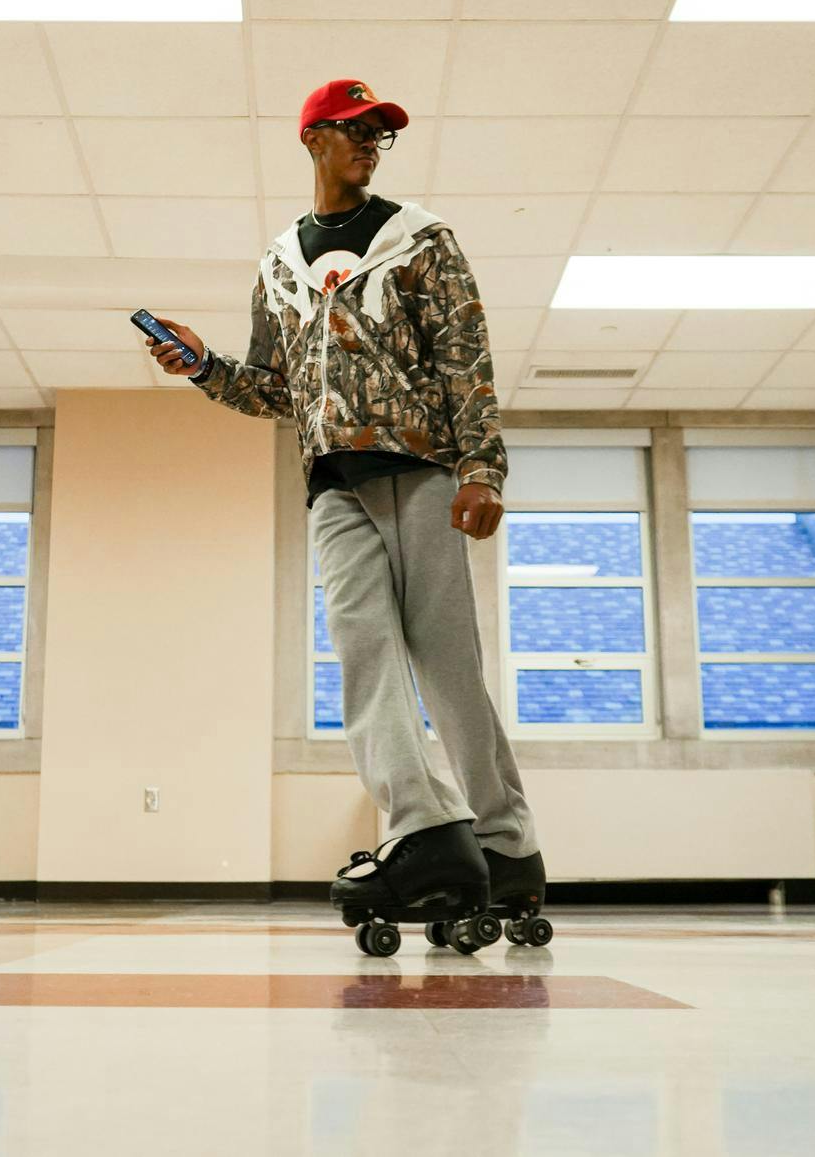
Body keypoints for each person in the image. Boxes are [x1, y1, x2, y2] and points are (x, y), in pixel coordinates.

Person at [142, 78, 546, 947]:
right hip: (332, 482)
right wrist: (202, 365)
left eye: (380, 134)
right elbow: (274, 388)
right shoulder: (279, 263)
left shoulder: (421, 241)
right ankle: (429, 831)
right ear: (312, 139)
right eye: (355, 130)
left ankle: (506, 845)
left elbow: (466, 360)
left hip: (424, 471)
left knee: (446, 668)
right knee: (363, 655)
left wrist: (483, 468)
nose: (370, 143)